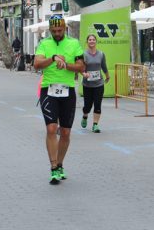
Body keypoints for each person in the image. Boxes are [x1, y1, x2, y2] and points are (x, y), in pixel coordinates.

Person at [33, 15, 84, 185]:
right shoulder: (44, 44)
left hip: (67, 90)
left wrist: (66, 65)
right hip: (49, 89)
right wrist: (53, 58)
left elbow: (82, 67)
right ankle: (53, 167)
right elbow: (36, 64)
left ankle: (60, 163)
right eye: (53, 31)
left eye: (59, 30)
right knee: (51, 128)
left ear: (65, 28)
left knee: (66, 132)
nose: (56, 33)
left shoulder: (74, 43)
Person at [80, 34, 110, 133]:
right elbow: (81, 68)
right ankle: (85, 116)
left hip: (99, 84)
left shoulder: (101, 54)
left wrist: (107, 75)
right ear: (87, 42)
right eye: (90, 40)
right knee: (87, 106)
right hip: (87, 84)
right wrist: (83, 74)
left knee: (97, 104)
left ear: (96, 41)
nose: (92, 41)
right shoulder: (83, 54)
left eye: (93, 39)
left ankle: (95, 125)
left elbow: (104, 66)